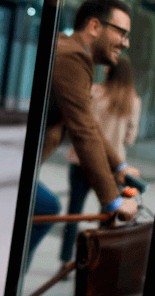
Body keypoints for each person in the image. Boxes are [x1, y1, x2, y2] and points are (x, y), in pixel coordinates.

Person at [20, 0, 139, 296]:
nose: (125, 43)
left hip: (25, 163)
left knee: (46, 208)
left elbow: (88, 123)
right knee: (45, 207)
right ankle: (13, 294)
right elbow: (84, 129)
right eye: (121, 33)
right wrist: (113, 201)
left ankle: (15, 292)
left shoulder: (74, 55)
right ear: (95, 26)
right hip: (18, 165)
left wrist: (119, 166)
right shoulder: (72, 58)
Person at [59, 55, 142, 269]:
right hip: (113, 168)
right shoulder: (133, 101)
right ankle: (96, 266)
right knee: (108, 216)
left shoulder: (94, 92)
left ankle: (66, 261)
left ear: (110, 71)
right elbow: (130, 138)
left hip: (81, 160)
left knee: (73, 213)